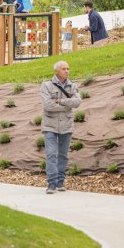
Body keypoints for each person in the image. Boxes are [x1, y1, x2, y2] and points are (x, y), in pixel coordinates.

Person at [41, 61, 81, 194]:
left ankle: (60, 182)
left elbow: (77, 102)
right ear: (56, 71)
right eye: (64, 69)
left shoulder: (72, 85)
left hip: (66, 125)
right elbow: (47, 105)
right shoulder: (46, 85)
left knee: (63, 155)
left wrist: (60, 101)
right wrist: (67, 106)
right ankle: (51, 184)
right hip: (50, 125)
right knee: (51, 154)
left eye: (68, 68)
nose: (67, 71)